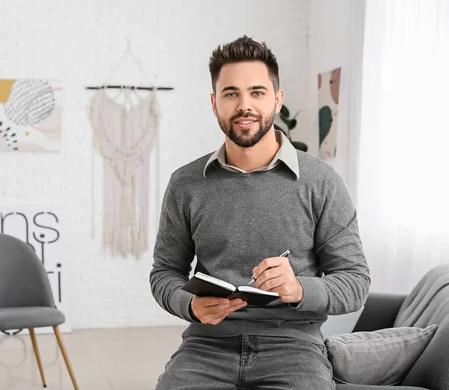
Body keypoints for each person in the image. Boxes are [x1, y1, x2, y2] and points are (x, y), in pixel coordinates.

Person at [149, 35, 370, 390]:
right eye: (231, 93)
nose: (244, 105)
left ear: (277, 100)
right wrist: (190, 305)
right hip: (207, 346)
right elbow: (164, 273)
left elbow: (355, 282)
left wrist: (298, 288)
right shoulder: (185, 184)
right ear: (214, 103)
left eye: (257, 92)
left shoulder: (322, 182)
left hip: (294, 347)